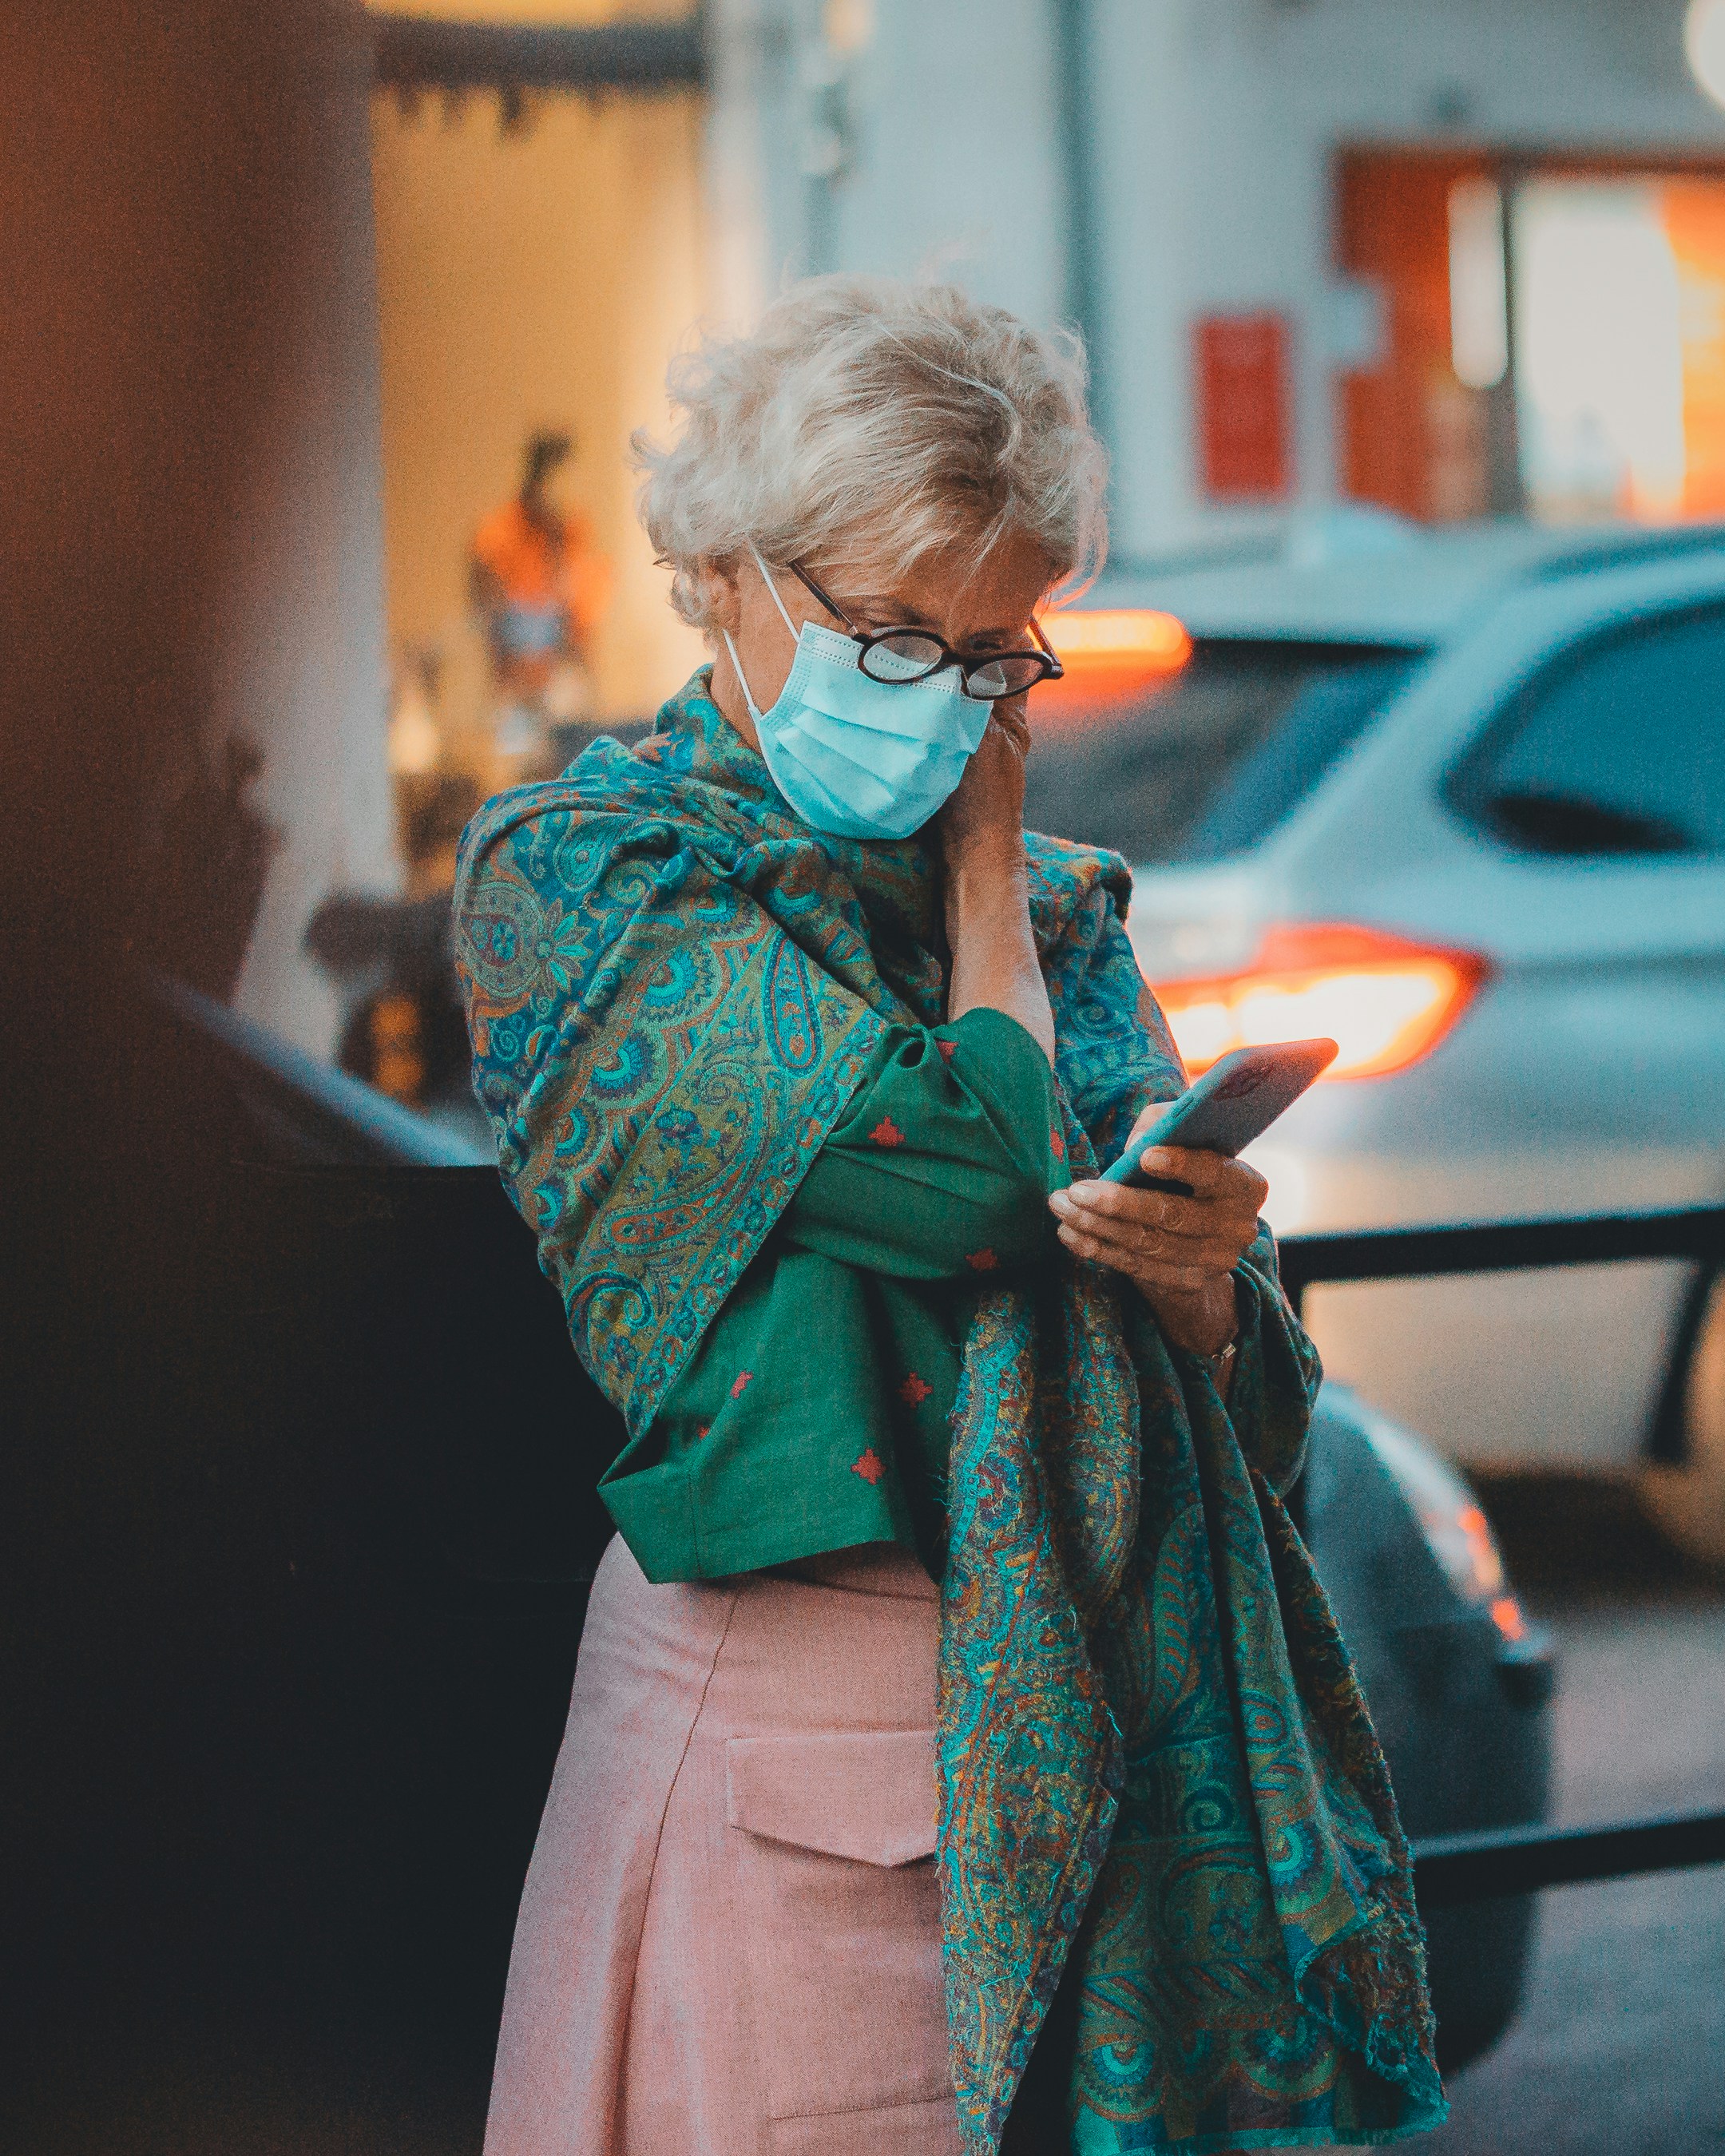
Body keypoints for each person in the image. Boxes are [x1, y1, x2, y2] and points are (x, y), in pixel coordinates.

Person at [453, 278, 1446, 2156]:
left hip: (1104, 1734)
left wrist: (1197, 1281)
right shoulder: (594, 877)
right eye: (898, 635)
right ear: (728, 573)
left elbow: (1254, 1394)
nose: (954, 707)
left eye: (997, 655)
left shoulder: (1073, 919)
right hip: (798, 1726)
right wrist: (986, 872)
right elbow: (972, 1185)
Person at [469, 428, 614, 775]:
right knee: (516, 765)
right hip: (515, 683)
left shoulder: (572, 535)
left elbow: (583, 617)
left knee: (572, 766)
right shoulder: (499, 534)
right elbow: (487, 612)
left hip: (560, 679)